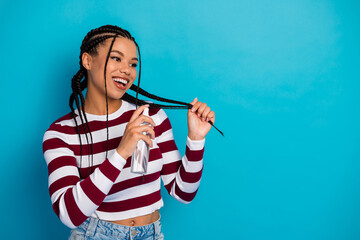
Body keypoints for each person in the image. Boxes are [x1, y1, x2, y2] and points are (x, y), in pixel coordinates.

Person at [43, 25, 215, 240]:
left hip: (152, 234)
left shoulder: (151, 115)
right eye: (116, 58)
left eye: (133, 64)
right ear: (88, 61)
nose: (127, 70)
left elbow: (183, 193)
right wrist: (122, 152)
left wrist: (196, 140)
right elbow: (69, 214)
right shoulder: (61, 134)